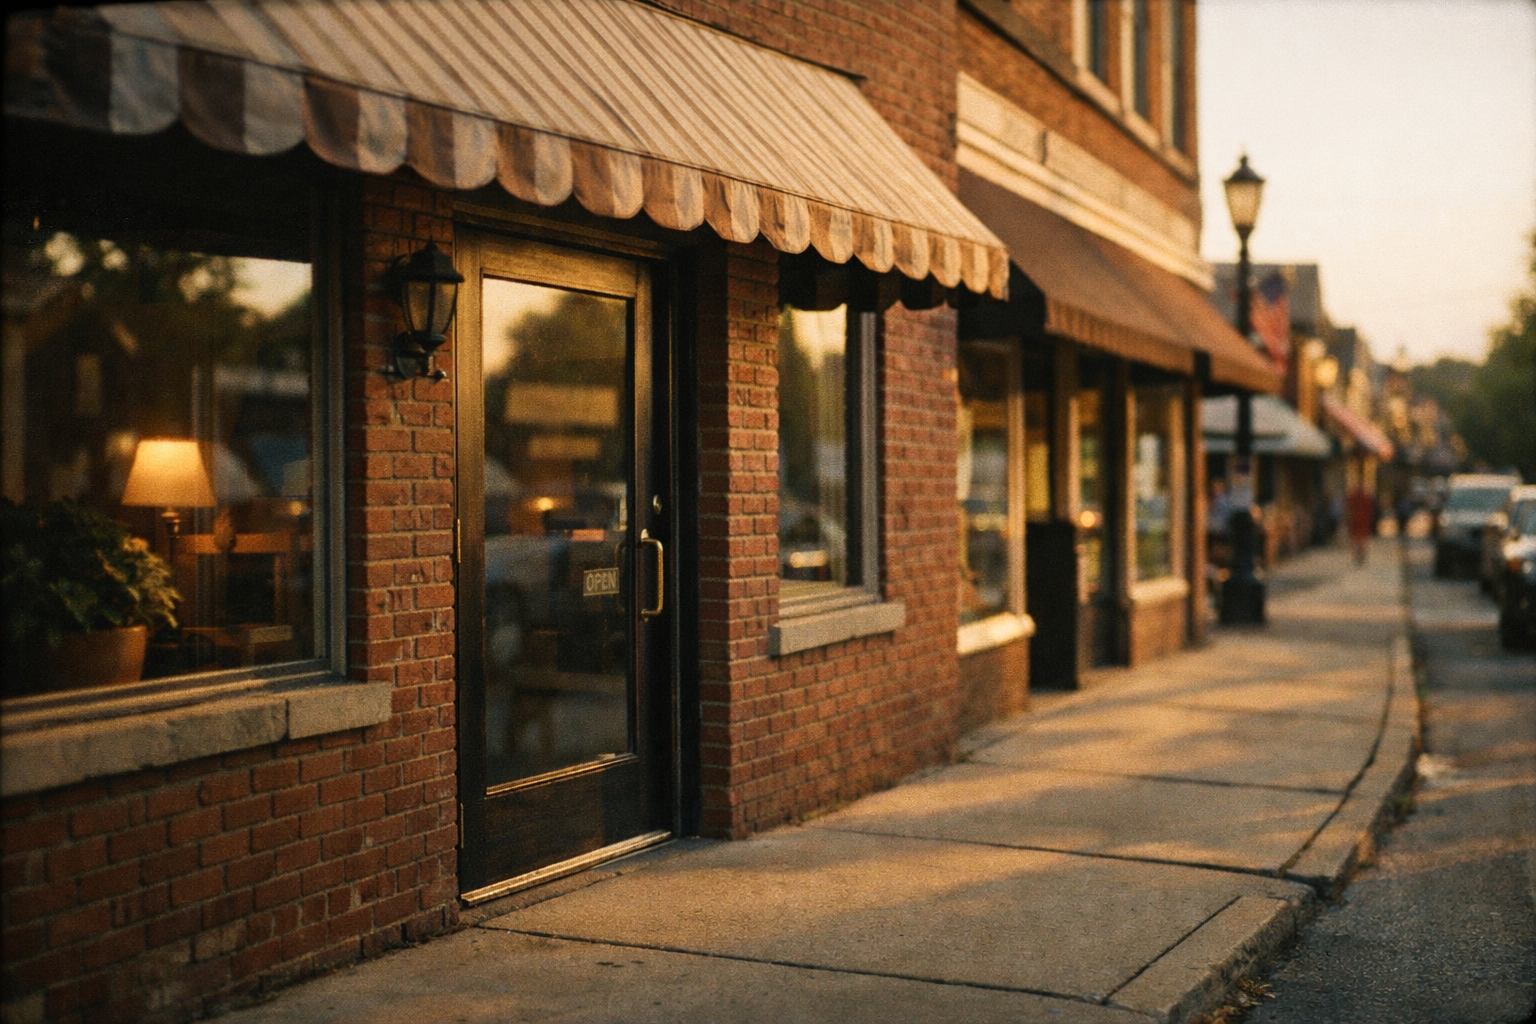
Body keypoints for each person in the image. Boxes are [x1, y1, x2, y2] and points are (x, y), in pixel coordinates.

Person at [1347, 486, 1375, 565]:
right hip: (1359, 520)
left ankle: (1359, 556)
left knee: (1359, 540)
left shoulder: (1362, 498)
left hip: (1359, 520)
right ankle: (1360, 556)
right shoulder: (1362, 498)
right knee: (1359, 540)